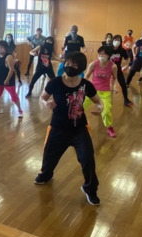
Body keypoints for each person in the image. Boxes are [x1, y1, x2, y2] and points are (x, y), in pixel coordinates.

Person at [35, 51, 101, 206]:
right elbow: (42, 97)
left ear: (81, 67)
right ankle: (46, 174)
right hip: (58, 127)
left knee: (88, 159)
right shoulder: (55, 83)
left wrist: (100, 107)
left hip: (79, 129)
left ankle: (90, 189)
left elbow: (98, 101)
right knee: (49, 155)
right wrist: (46, 104)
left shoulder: (86, 85)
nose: (70, 66)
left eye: (74, 64)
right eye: (68, 63)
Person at [84, 44, 119, 137]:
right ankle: (76, 125)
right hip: (92, 91)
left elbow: (114, 78)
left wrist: (114, 87)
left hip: (105, 92)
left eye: (104, 54)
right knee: (79, 107)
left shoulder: (113, 66)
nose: (101, 56)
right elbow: (86, 76)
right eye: (100, 54)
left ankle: (109, 127)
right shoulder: (93, 64)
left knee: (106, 110)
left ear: (109, 55)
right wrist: (82, 87)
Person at [0, 40, 24, 117]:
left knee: (13, 96)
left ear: (5, 48)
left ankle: (19, 110)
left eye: (1, 47)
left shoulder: (8, 57)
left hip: (9, 80)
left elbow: (11, 69)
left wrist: (7, 80)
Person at [108, 34, 134, 107]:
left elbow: (127, 58)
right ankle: (102, 100)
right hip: (107, 68)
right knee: (105, 84)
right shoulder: (108, 49)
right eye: (115, 40)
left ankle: (126, 99)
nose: (117, 42)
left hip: (117, 68)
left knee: (123, 84)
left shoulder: (122, 50)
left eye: (119, 40)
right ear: (112, 40)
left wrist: (126, 66)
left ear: (121, 42)